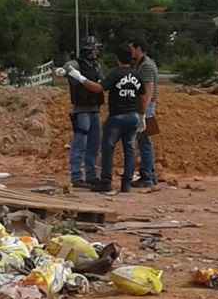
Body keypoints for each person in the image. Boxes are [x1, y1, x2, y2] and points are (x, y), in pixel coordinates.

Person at [59, 43, 146, 193]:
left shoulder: (111, 71)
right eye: (93, 49)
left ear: (117, 58)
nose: (95, 53)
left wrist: (79, 77)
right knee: (129, 150)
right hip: (122, 115)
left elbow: (99, 87)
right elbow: (143, 96)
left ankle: (105, 181)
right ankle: (125, 184)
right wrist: (141, 115)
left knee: (106, 148)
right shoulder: (136, 74)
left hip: (112, 115)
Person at [55, 37, 104, 188]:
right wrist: (66, 70)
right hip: (81, 109)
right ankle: (76, 176)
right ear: (87, 50)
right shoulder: (76, 64)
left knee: (94, 145)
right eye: (94, 48)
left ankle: (91, 175)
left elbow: (101, 80)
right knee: (80, 143)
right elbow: (66, 68)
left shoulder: (96, 65)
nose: (96, 51)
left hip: (95, 108)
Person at [129, 39, 159, 187]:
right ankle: (150, 174)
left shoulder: (146, 66)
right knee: (145, 142)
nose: (131, 52)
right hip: (147, 107)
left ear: (138, 48)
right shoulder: (144, 63)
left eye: (132, 49)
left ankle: (147, 177)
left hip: (147, 108)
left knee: (144, 142)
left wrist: (142, 113)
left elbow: (148, 90)